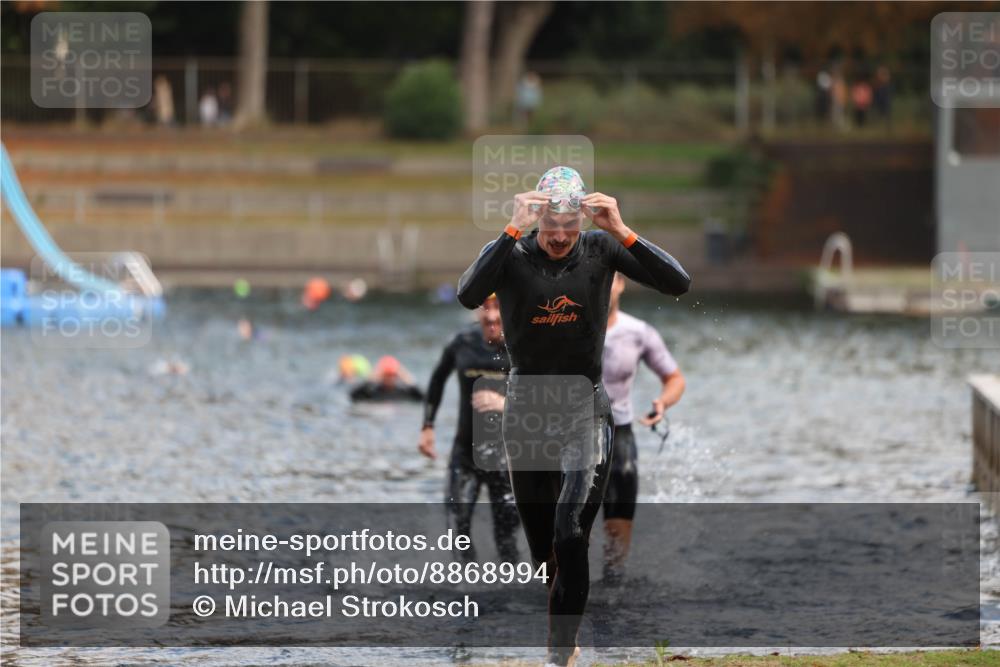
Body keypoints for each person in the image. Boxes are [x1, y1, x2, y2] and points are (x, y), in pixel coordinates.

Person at [456, 165, 690, 666]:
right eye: (550, 226)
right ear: (537, 217)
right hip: (527, 415)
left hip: (585, 409)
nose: (560, 237)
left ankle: (560, 655)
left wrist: (621, 229)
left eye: (569, 226)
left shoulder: (602, 249)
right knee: (545, 553)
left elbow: (678, 283)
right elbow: (469, 293)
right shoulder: (513, 253)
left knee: (571, 530)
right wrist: (511, 228)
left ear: (581, 221)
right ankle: (563, 632)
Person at [419, 293, 520, 564]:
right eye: (484, 308)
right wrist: (427, 427)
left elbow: (548, 396)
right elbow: (437, 379)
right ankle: (468, 590)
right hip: (465, 453)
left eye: (497, 308)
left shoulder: (523, 344)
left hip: (507, 458)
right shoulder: (462, 342)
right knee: (457, 527)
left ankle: (513, 593)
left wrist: (506, 403)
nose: (490, 316)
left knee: (505, 537)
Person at [601, 272, 686, 582]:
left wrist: (663, 402)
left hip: (619, 434)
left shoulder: (637, 332)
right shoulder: (569, 328)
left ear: (621, 284)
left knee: (618, 528)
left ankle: (614, 586)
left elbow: (675, 379)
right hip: (572, 435)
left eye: (608, 279)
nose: (602, 285)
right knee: (567, 533)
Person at [349, 355, 423, 402]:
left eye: (392, 375)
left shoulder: (402, 392)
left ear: (397, 375)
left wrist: (407, 378)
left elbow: (422, 398)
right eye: (386, 375)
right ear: (381, 375)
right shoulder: (374, 392)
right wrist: (371, 378)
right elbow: (353, 396)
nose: (389, 379)